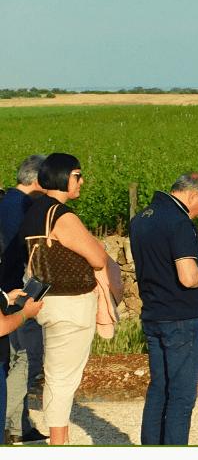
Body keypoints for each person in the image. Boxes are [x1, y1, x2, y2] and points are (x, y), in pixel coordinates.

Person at [13, 153, 109, 445]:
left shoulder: (34, 210)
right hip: (71, 304)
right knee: (63, 378)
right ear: (64, 176)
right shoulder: (61, 215)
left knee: (57, 374)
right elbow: (97, 257)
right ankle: (58, 443)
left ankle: (60, 440)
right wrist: (99, 245)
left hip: (46, 299)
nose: (81, 181)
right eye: (78, 175)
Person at [130, 172, 198, 445]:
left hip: (153, 314)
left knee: (159, 390)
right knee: (182, 396)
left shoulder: (141, 219)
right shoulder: (179, 222)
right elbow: (188, 277)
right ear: (195, 195)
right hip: (181, 318)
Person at [0, 155, 48, 444]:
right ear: (38, 181)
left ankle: (19, 422)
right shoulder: (24, 207)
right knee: (27, 357)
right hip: (14, 293)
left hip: (6, 292)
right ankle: (13, 424)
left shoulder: (7, 203)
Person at [1, 288, 45, 445]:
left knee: (19, 360)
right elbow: (1, 327)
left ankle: (19, 428)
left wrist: (4, 297)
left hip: (14, 300)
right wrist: (25, 313)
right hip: (24, 303)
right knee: (27, 359)